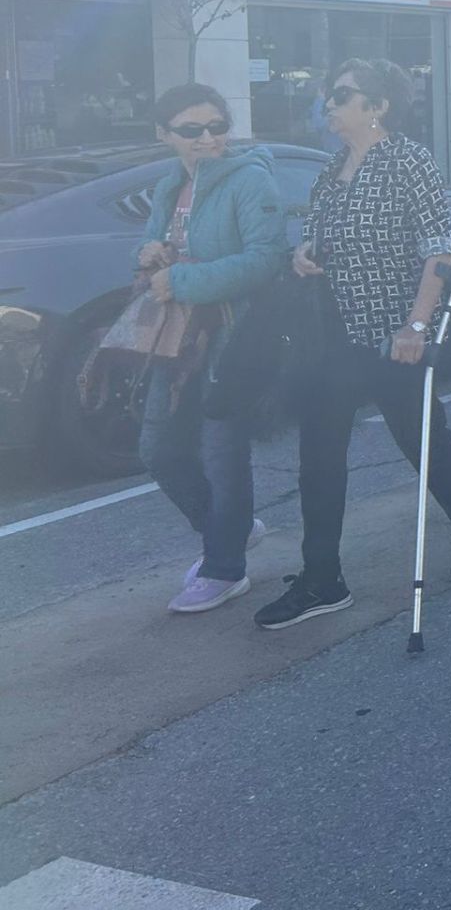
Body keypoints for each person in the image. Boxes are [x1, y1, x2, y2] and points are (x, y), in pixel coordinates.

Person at [258, 59, 451, 630]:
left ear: (378, 105)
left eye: (341, 95)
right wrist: (302, 255)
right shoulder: (332, 167)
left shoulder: (409, 160)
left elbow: (439, 249)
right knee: (318, 458)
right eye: (328, 95)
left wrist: (415, 326)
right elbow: (314, 237)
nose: (329, 106)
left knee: (423, 442)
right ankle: (322, 578)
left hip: (392, 337)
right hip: (330, 339)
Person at [135, 84, 287, 614]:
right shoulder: (169, 183)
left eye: (217, 126)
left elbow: (266, 258)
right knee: (158, 450)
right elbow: (160, 247)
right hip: (178, 339)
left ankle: (225, 569)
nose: (208, 138)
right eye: (192, 129)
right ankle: (232, 529)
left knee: (223, 454)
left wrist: (182, 280)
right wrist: (153, 253)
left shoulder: (250, 179)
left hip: (231, 336)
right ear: (164, 135)